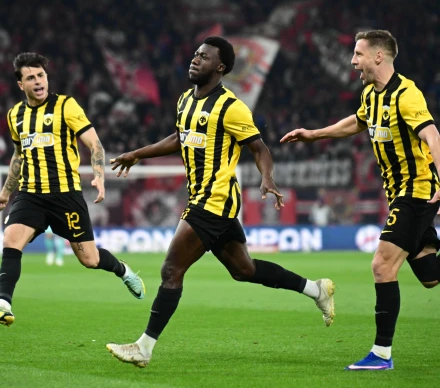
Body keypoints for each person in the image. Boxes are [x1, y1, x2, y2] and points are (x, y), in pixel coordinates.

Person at [105, 36, 335, 368]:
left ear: (221, 67)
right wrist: (138, 153)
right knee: (244, 270)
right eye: (195, 54)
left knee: (171, 270)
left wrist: (267, 177)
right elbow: (180, 137)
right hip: (207, 200)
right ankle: (317, 290)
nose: (195, 59)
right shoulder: (186, 99)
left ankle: (144, 348)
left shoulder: (231, 107)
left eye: (204, 57)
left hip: (214, 200)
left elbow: (259, 148)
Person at [281, 30, 440, 371]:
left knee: (382, 266)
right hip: (400, 193)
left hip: (416, 191)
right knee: (429, 274)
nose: (353, 61)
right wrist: (314, 134)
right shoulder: (370, 94)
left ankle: (381, 355)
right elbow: (357, 122)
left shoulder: (407, 95)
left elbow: (432, 135)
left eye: (358, 54)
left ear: (378, 56)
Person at [0, 52, 145, 328]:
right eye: (30, 78)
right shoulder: (15, 115)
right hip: (30, 194)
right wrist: (7, 192)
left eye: (41, 75)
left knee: (89, 259)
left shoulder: (66, 106)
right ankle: (4, 302)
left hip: (65, 195)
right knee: (11, 239)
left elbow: (95, 144)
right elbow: (19, 155)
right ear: (21, 84)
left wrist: (99, 177)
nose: (38, 81)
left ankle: (122, 269)